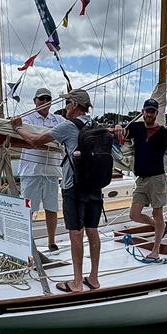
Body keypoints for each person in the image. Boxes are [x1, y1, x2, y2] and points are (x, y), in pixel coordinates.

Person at [11, 89, 118, 293]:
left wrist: (17, 129)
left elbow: (34, 141)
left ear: (75, 105)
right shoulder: (97, 126)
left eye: (68, 103)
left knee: (75, 233)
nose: (66, 107)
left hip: (73, 186)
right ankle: (93, 279)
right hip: (95, 186)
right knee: (92, 231)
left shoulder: (68, 126)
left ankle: (77, 282)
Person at [116, 98, 167, 260]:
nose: (149, 114)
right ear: (143, 112)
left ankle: (155, 250)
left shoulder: (164, 133)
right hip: (141, 178)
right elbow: (123, 134)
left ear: (156, 113)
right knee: (134, 215)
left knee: (157, 212)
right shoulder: (135, 127)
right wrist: (118, 127)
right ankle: (159, 226)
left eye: (152, 111)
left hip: (157, 178)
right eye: (147, 111)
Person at [18, 87, 66, 252]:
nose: (45, 102)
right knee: (28, 210)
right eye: (41, 99)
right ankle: (26, 243)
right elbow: (31, 138)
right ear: (35, 101)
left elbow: (68, 131)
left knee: (51, 208)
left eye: (47, 99)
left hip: (52, 172)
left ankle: (51, 242)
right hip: (31, 172)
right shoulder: (27, 119)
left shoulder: (58, 119)